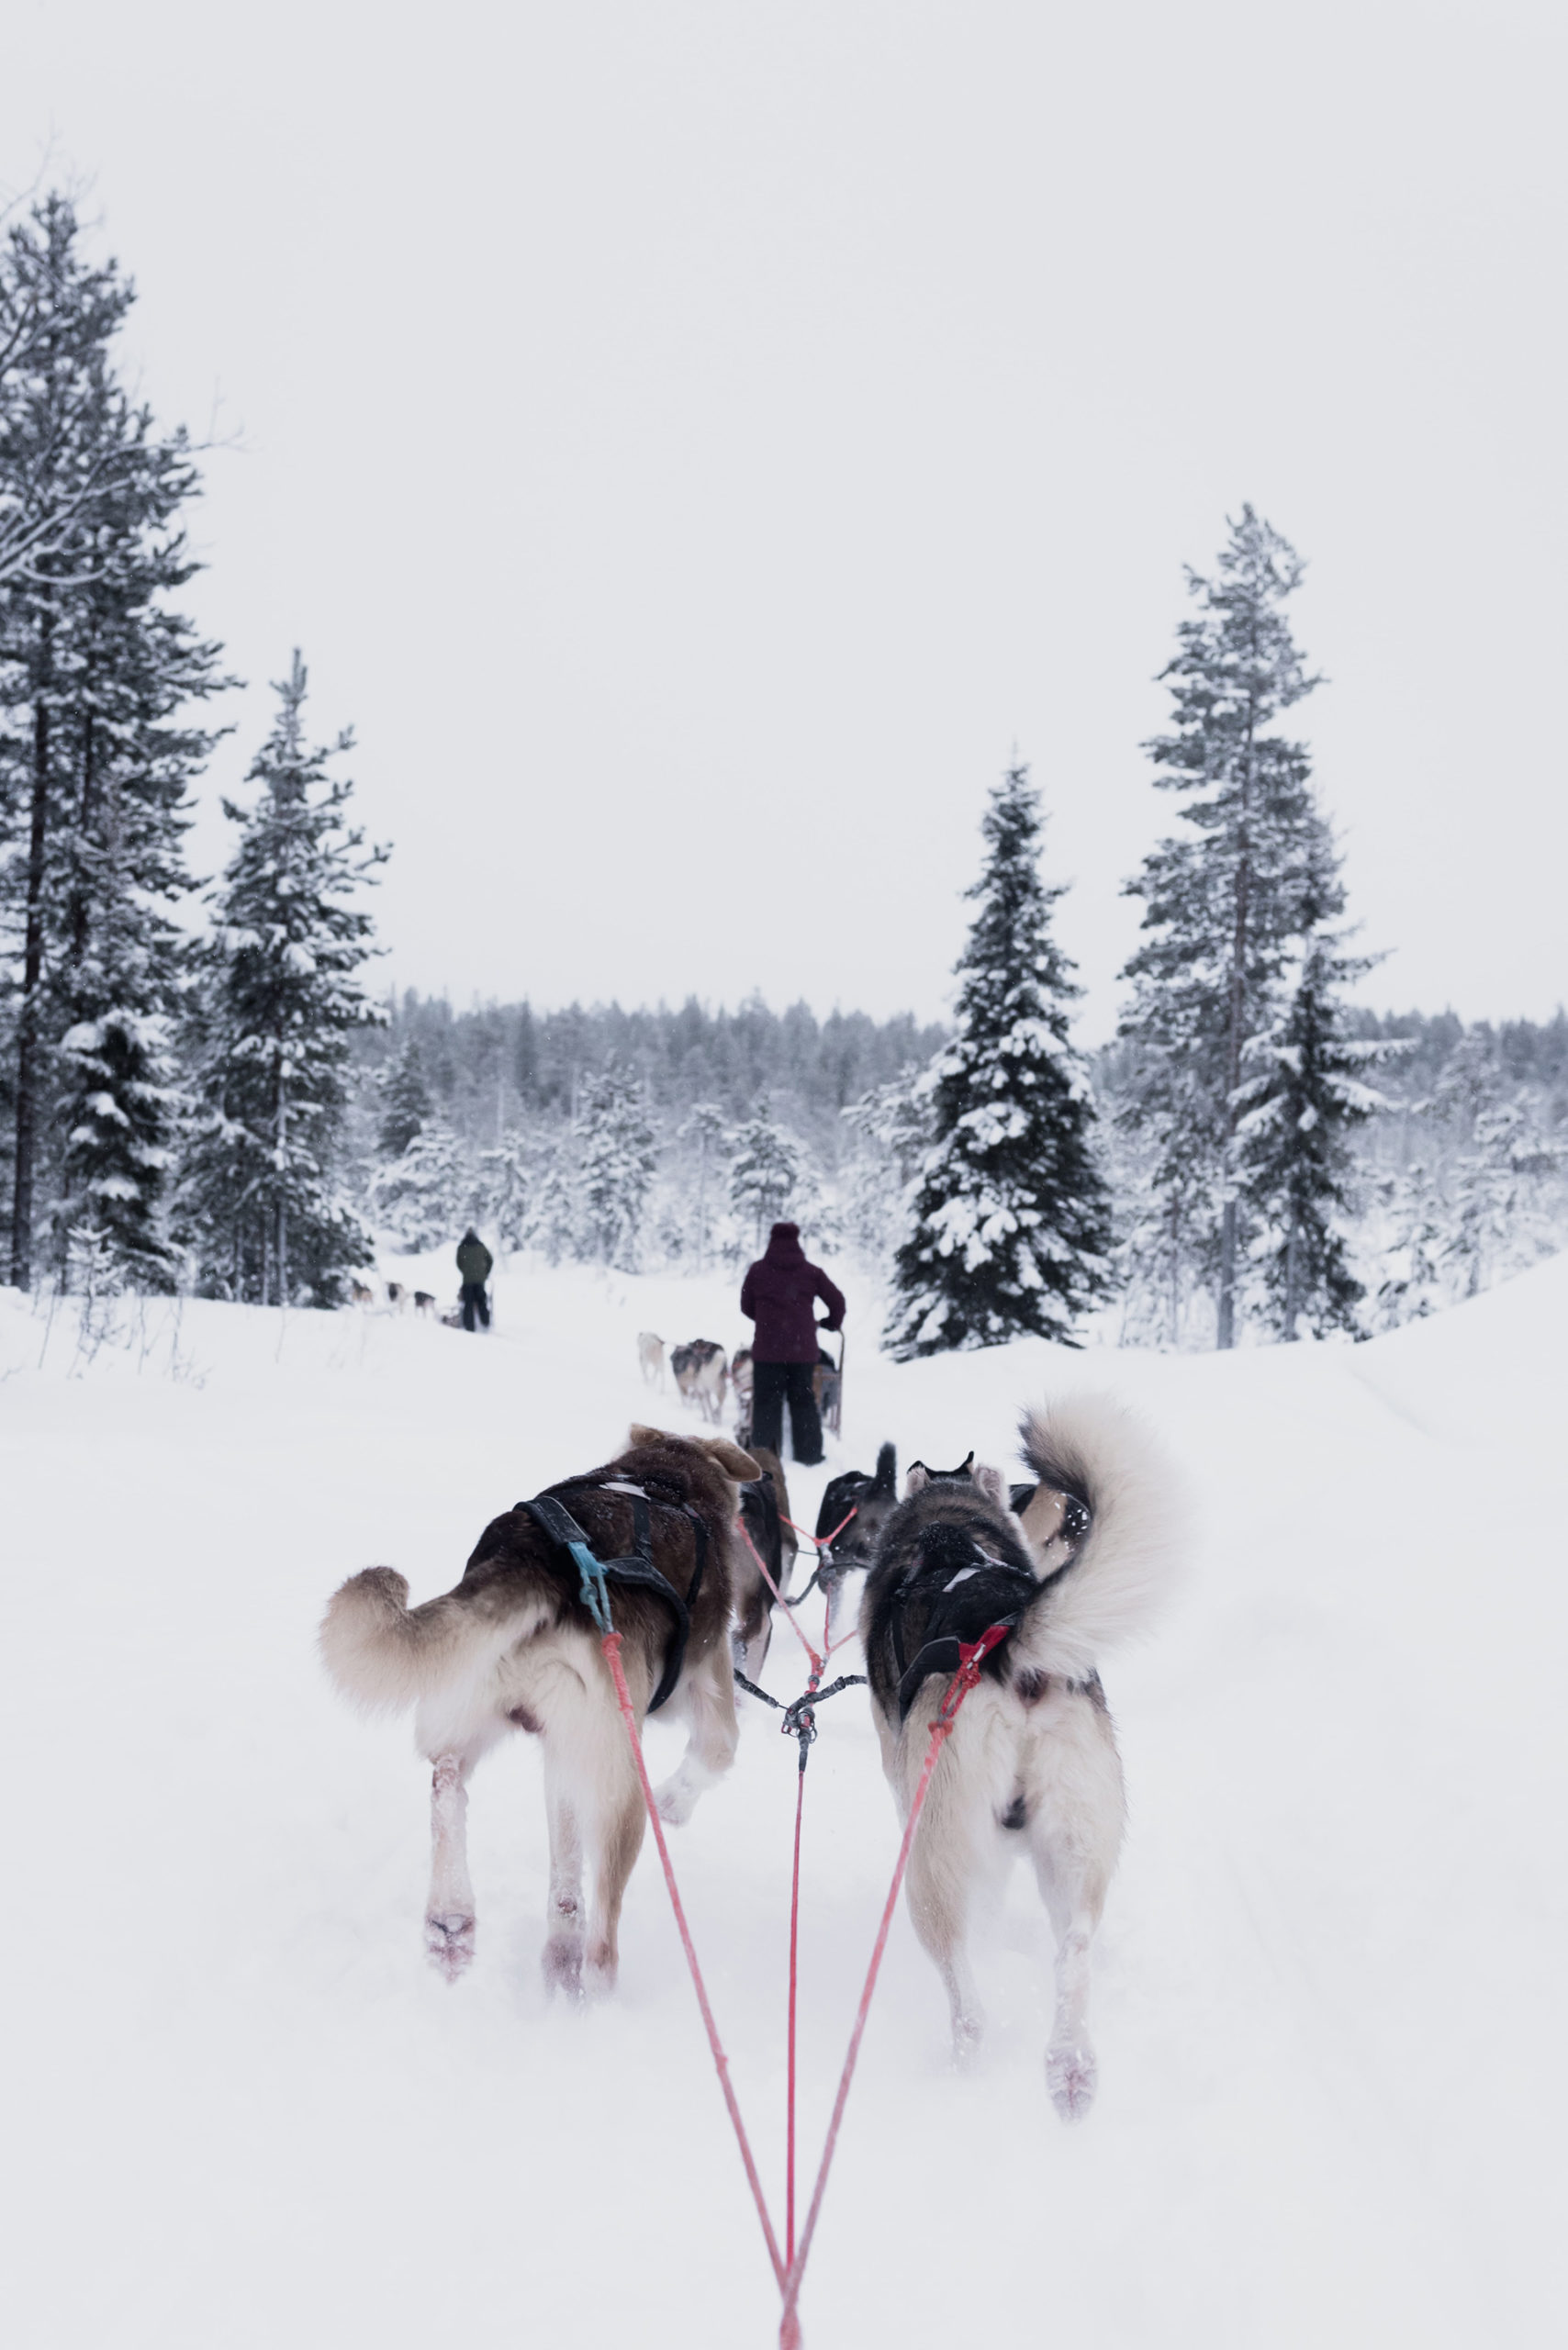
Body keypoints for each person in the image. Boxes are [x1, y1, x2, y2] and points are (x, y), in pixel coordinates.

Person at [739, 1221, 846, 1466]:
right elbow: (837, 1301)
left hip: (767, 1352)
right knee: (803, 1402)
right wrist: (830, 1323)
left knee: (766, 1403)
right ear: (797, 1241)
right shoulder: (811, 1272)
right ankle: (809, 1455)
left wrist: (767, 1320)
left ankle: (765, 1459)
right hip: (803, 1353)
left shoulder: (758, 1271)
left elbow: (745, 1306)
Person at [455, 1227, 493, 1331]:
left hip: (467, 1280)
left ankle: (469, 1327)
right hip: (480, 1280)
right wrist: (485, 1273)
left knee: (468, 1303)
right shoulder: (480, 1246)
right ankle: (486, 1323)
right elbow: (490, 1259)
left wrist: (465, 1272)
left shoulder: (462, 1247)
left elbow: (458, 1263)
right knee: (481, 1301)